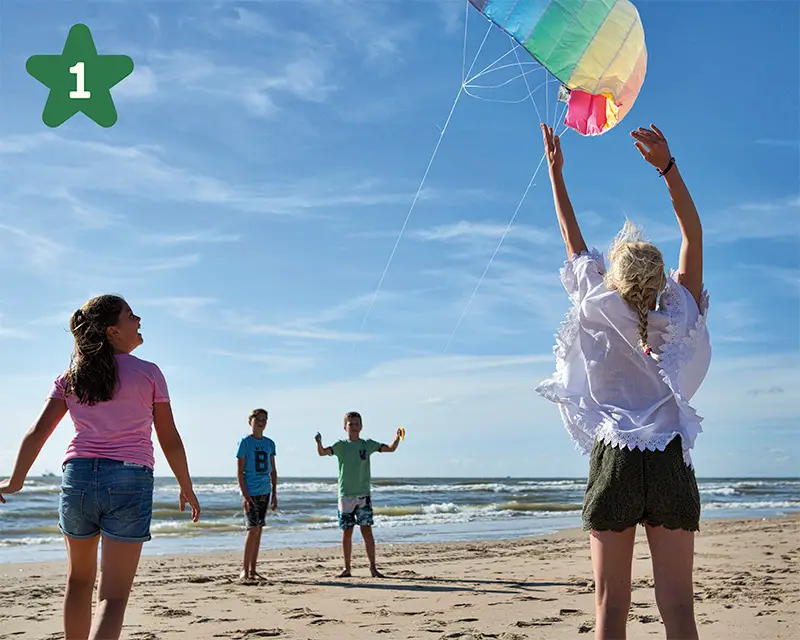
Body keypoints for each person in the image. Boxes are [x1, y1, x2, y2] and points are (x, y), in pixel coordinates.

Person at [535, 124, 711, 640]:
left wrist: (556, 173)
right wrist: (667, 167)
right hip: (669, 460)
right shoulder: (679, 308)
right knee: (679, 609)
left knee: (610, 609)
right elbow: (692, 234)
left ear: (614, 275)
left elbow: (572, 238)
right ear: (662, 279)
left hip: (614, 458)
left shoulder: (597, 304)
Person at [0, 294, 201, 640]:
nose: (139, 320)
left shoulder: (71, 376)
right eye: (130, 315)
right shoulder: (149, 373)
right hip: (129, 479)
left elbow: (37, 433)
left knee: (78, 581)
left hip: (77, 477)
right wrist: (186, 485)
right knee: (114, 595)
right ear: (112, 331)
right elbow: (169, 438)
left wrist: (14, 481)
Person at [315, 412, 402, 578]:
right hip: (345, 495)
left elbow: (390, 449)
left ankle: (373, 568)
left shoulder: (367, 444)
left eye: (356, 423)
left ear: (361, 426)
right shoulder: (341, 445)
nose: (353, 426)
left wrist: (397, 438)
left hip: (363, 495)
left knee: (366, 531)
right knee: (347, 532)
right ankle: (347, 568)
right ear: (345, 427)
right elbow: (322, 453)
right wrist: (319, 443)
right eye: (350, 424)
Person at [236, 407, 278, 581]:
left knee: (259, 530)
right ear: (250, 421)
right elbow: (240, 471)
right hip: (251, 492)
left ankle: (253, 570)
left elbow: (273, 470)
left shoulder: (270, 443)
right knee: (252, 530)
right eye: (258, 419)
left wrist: (274, 493)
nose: (261, 422)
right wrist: (245, 495)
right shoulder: (245, 442)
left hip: (265, 491)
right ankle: (245, 570)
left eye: (264, 419)